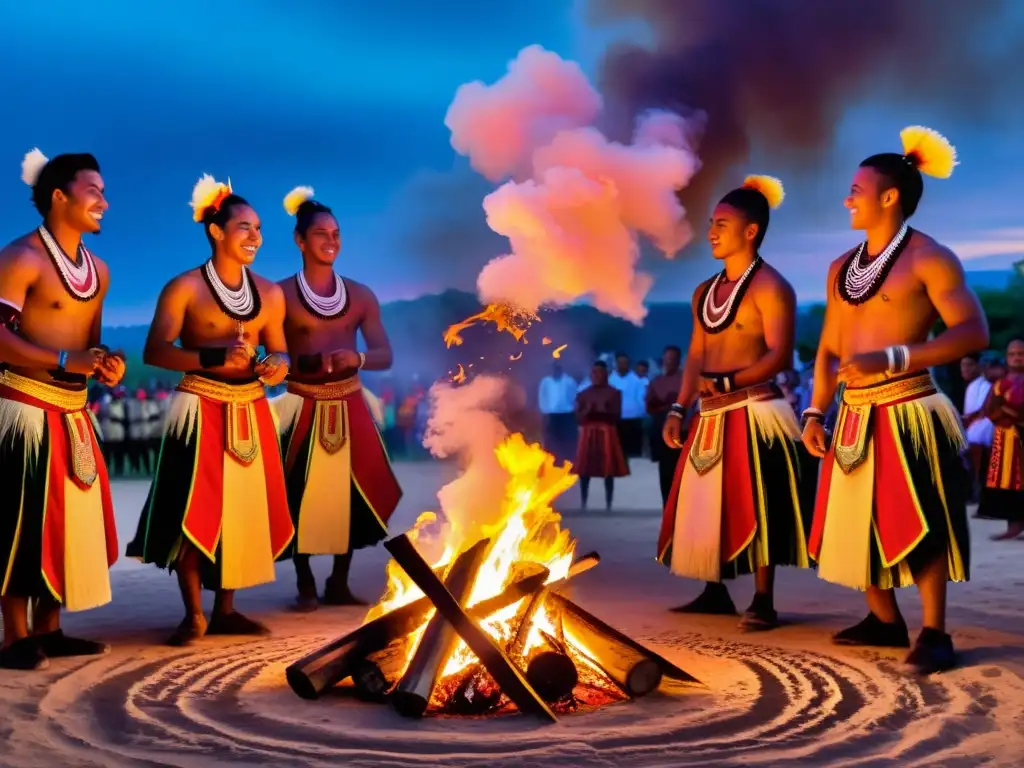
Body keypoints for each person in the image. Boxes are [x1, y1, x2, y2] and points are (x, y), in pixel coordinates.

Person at [802, 126, 988, 674]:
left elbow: (973, 332)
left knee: (924, 514)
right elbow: (829, 348)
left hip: (909, 405)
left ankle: (934, 631)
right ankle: (884, 620)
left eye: (856, 189)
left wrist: (895, 358)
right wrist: (815, 409)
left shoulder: (930, 257)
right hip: (852, 411)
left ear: (889, 197)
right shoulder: (841, 267)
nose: (847, 198)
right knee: (855, 519)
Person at [126, 175, 294, 646]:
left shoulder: (271, 294)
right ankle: (192, 613)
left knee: (241, 511)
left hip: (251, 409)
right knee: (194, 506)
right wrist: (214, 358)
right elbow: (155, 351)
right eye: (244, 227)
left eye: (259, 228)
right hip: (199, 405)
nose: (255, 236)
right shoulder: (184, 288)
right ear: (216, 231)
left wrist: (276, 367)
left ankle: (226, 609)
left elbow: (280, 352)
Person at [659, 175, 812, 631]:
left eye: (721, 224)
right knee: (705, 504)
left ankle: (763, 600)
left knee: (759, 503)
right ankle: (714, 590)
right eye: (711, 223)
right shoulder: (704, 291)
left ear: (750, 231)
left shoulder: (772, 287)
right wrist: (677, 407)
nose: (711, 232)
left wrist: (726, 379)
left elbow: (779, 354)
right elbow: (696, 354)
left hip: (755, 409)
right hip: (709, 416)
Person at [0, 148, 126, 670]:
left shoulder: (98, 271)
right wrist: (59, 357)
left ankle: (51, 628)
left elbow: (89, 348)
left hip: (73, 410)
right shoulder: (20, 257)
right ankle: (14, 636)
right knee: (20, 519)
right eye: (93, 191)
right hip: (23, 406)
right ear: (59, 196)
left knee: (69, 520)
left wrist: (106, 365)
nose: (104, 201)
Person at [272, 187, 402, 610]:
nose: (331, 240)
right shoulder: (279, 296)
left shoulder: (361, 295)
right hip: (301, 402)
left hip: (349, 401)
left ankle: (339, 581)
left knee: (351, 492)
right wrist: (288, 363)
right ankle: (305, 581)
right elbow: (265, 352)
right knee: (300, 492)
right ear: (300, 240)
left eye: (337, 233)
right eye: (321, 233)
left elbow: (384, 355)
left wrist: (357, 356)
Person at [977, 339, 1024, 540]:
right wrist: (1001, 412)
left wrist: (1006, 410)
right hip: (1003, 440)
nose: (1016, 357)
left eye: (1020, 353)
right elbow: (988, 409)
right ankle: (1013, 525)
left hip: (1020, 436)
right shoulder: (1000, 382)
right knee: (1007, 483)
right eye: (1012, 354)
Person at [574, 360, 629, 510]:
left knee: (608, 468)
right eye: (594, 373)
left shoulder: (614, 393)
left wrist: (604, 411)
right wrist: (587, 411)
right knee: (585, 469)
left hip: (606, 432)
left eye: (600, 372)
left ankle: (608, 504)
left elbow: (617, 415)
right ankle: (584, 502)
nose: (596, 376)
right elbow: (577, 417)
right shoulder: (583, 394)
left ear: (606, 374)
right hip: (588, 432)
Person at [645, 345, 685, 505]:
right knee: (665, 472)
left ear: (678, 361)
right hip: (662, 431)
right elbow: (649, 407)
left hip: (683, 431)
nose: (669, 362)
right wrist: (664, 405)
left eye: (672, 359)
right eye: (667, 359)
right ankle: (667, 507)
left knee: (683, 472)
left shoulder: (686, 380)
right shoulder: (656, 382)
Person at [960, 353, 993, 502]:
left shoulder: (985, 384)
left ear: (979, 366)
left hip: (985, 429)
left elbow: (981, 412)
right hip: (974, 428)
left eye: (970, 365)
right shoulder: (971, 386)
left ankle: (977, 492)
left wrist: (964, 421)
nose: (965, 369)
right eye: (963, 365)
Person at [538, 361, 578, 464]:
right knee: (551, 441)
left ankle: (569, 463)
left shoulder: (569, 381)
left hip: (567, 415)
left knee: (568, 440)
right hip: (551, 415)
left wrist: (573, 411)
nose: (556, 370)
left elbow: (575, 397)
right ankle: (553, 463)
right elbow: (542, 397)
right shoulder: (546, 382)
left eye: (558, 368)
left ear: (561, 369)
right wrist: (545, 412)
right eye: (554, 368)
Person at [609, 352, 646, 458]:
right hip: (616, 419)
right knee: (617, 452)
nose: (622, 365)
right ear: (616, 363)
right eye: (620, 363)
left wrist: (641, 415)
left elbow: (641, 400)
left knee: (634, 452)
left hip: (634, 420)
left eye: (625, 363)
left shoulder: (636, 380)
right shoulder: (610, 380)